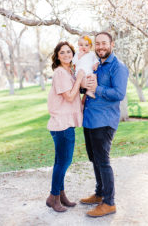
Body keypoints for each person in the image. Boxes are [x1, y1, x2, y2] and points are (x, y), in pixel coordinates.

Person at [80, 32, 129, 218]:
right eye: (97, 44)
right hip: (90, 120)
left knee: (103, 161)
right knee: (94, 159)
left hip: (104, 121)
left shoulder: (118, 67)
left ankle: (109, 203)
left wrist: (96, 89)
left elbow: (118, 93)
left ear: (112, 44)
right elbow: (88, 85)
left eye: (104, 43)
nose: (100, 47)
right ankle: (100, 193)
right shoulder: (96, 64)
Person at [46, 41, 84, 213]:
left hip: (66, 122)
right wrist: (80, 78)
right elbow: (69, 97)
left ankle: (60, 195)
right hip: (61, 125)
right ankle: (53, 197)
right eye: (62, 52)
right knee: (64, 162)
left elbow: (74, 97)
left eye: (69, 52)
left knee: (60, 162)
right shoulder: (60, 73)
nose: (66, 55)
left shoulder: (70, 71)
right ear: (57, 56)